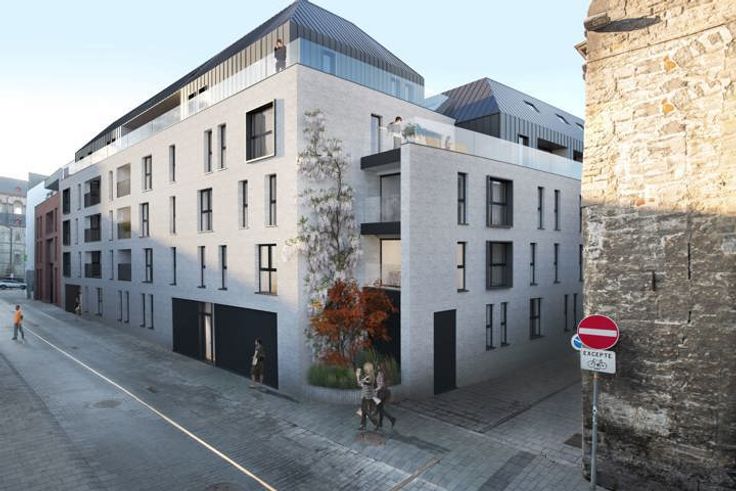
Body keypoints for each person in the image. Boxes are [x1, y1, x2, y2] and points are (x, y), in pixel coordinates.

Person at [356, 362, 379, 431]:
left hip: (367, 396)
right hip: (366, 396)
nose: (364, 369)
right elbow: (362, 384)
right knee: (363, 410)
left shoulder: (369, 377)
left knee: (366, 411)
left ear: (368, 369)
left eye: (365, 368)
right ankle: (363, 425)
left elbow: (360, 384)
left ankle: (376, 423)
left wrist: (357, 376)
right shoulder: (369, 376)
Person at [375, 364, 397, 429]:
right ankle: (380, 423)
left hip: (381, 393)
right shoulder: (384, 373)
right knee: (380, 408)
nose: (377, 368)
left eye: (378, 367)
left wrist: (375, 390)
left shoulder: (381, 374)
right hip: (384, 393)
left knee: (379, 409)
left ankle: (392, 419)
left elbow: (381, 385)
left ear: (380, 368)